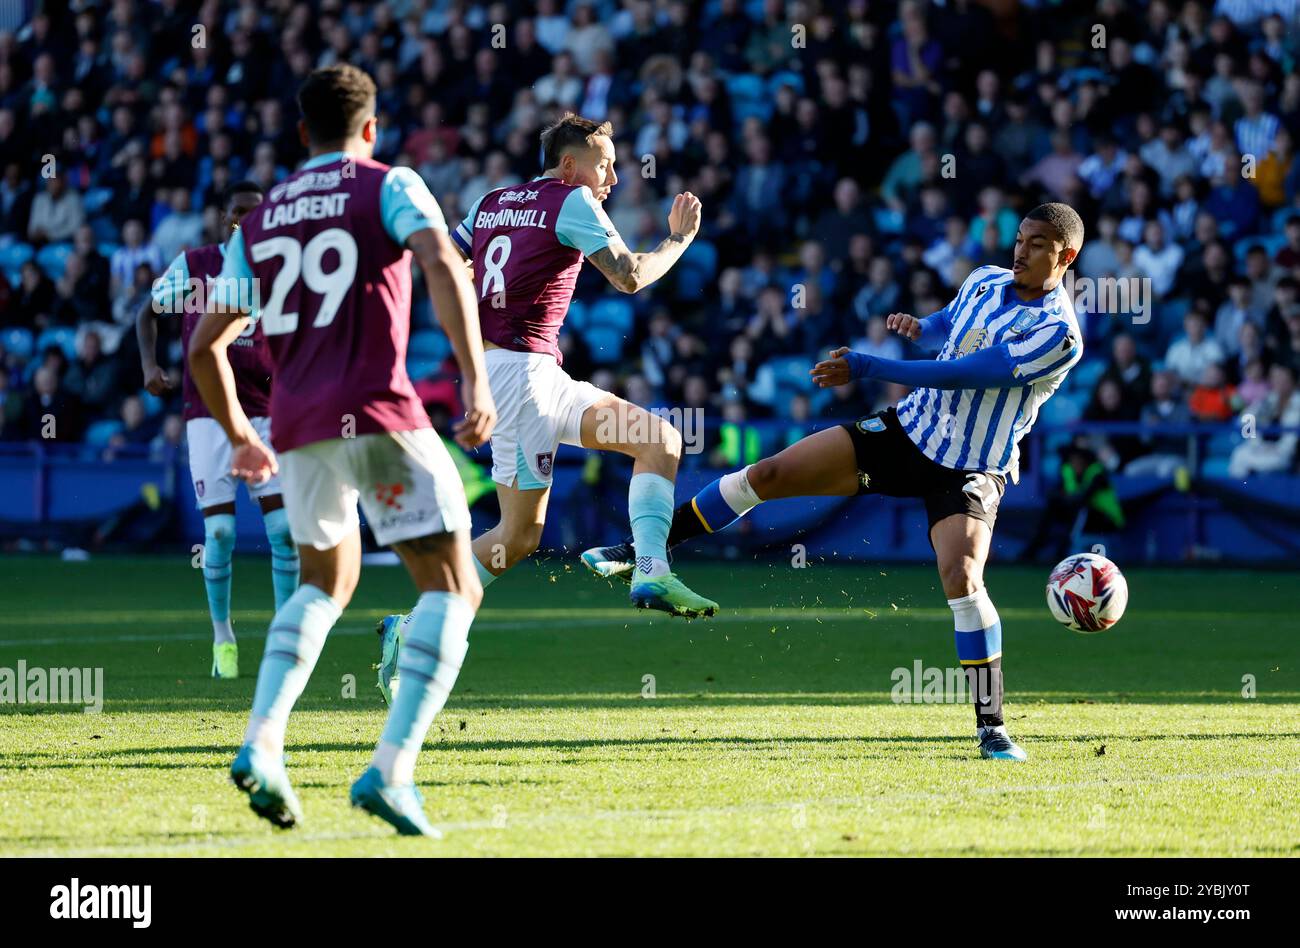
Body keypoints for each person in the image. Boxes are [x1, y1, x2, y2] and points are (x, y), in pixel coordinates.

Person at [583, 203, 1087, 763]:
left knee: (962, 576)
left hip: (971, 465)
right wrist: (922, 328)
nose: (1021, 250)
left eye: (1038, 244)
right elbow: (950, 329)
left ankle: (991, 727)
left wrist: (871, 367)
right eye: (1020, 238)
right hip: (908, 430)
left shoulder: (1058, 335)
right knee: (769, 473)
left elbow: (967, 373)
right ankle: (640, 549)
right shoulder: (986, 280)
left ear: (1066, 256)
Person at [189, 64, 496, 837]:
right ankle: (391, 771)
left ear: (300, 134)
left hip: (295, 428)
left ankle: (261, 744)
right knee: (457, 586)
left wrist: (239, 437)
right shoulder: (389, 183)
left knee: (325, 581)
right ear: (372, 128)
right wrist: (474, 381)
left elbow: (202, 348)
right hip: (379, 415)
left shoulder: (256, 222)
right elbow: (439, 262)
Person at [449, 112, 716, 618]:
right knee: (518, 535)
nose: (612, 179)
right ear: (570, 166)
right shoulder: (572, 199)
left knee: (659, 440)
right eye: (606, 166)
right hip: (519, 380)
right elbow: (630, 277)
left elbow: (447, 260)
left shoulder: (490, 202)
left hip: (536, 376)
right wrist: (678, 240)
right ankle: (417, 620)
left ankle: (652, 572)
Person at [137, 180, 298, 680]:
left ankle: (285, 638)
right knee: (222, 532)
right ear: (221, 216)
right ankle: (222, 636)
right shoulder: (195, 265)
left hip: (267, 412)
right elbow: (148, 312)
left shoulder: (282, 270)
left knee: (285, 531)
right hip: (208, 410)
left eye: (255, 212)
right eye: (237, 211)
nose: (245, 220)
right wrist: (150, 366)